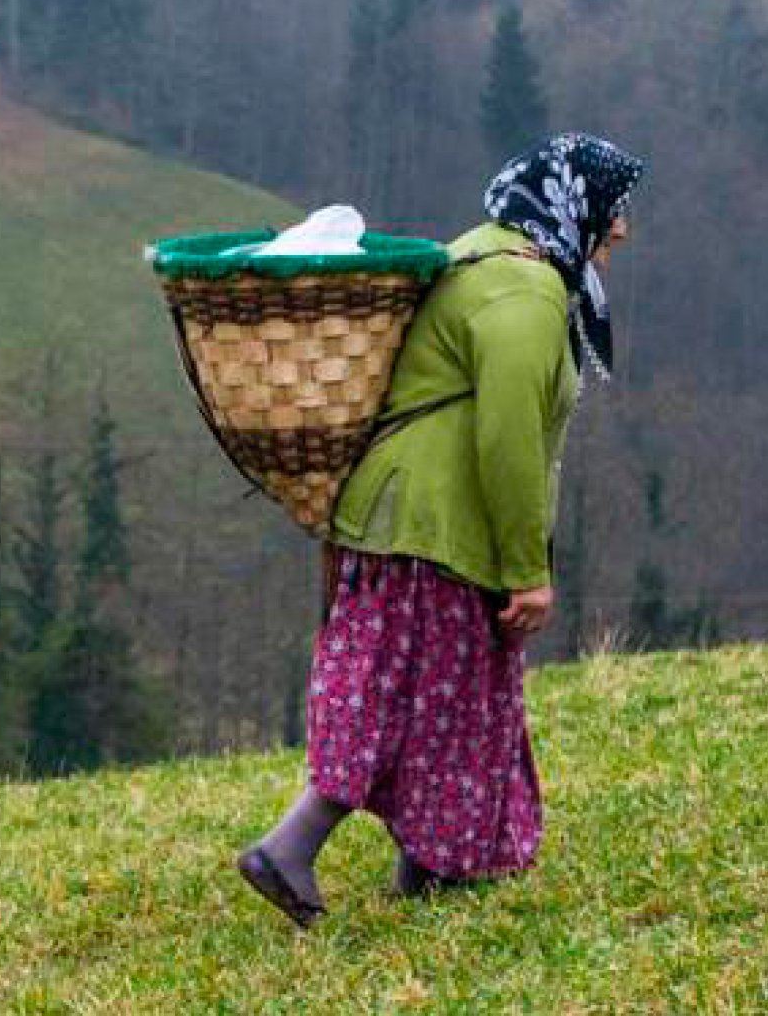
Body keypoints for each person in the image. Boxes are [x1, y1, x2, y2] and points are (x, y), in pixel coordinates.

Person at [237, 134, 646, 927]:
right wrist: (527, 571)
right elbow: (508, 441)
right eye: (611, 208)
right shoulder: (524, 294)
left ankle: (428, 865)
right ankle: (289, 848)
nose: (621, 229)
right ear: (569, 206)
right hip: (429, 527)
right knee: (398, 697)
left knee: (444, 699)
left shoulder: (480, 253)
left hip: (399, 521)